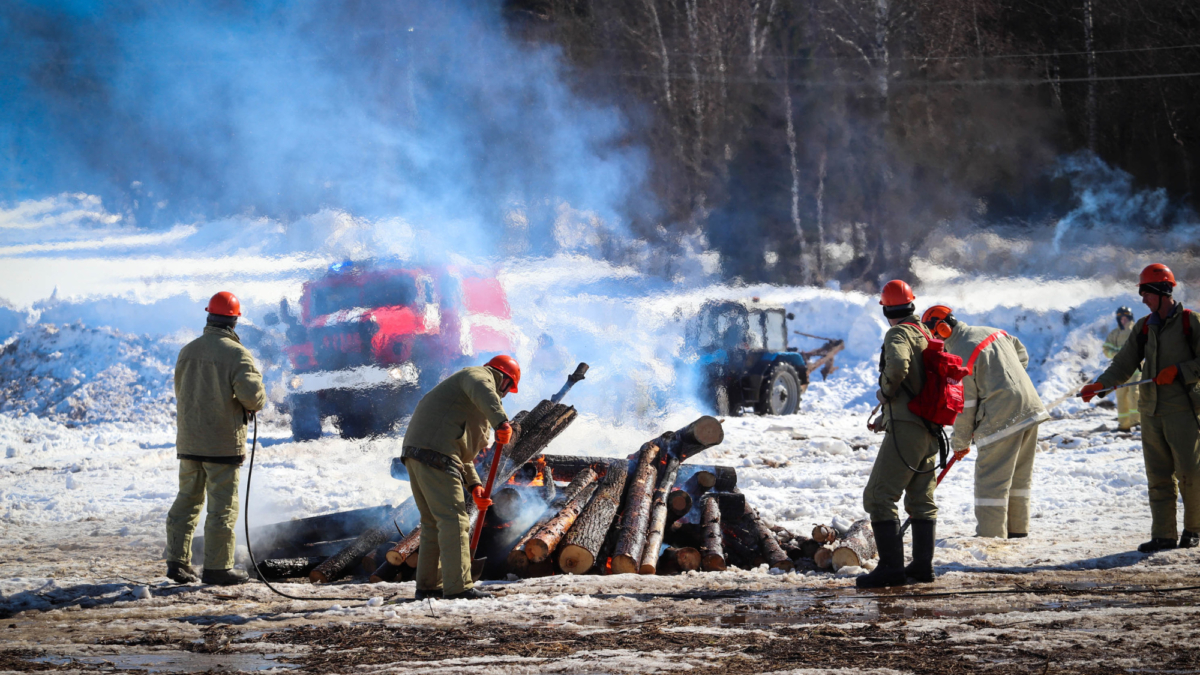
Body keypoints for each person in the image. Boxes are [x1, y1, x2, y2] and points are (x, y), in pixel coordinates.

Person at [1082, 264, 1200, 553]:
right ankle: (1163, 534)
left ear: (1162, 291)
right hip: (1150, 411)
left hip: (1182, 411)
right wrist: (1101, 385)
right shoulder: (1144, 326)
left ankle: (1195, 529)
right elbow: (1124, 363)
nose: (1143, 300)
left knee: (1191, 473)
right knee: (1158, 476)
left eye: (1146, 293)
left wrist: (1179, 371)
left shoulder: (1190, 322)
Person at [165, 292, 266, 585]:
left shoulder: (187, 350)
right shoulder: (236, 354)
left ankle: (177, 561)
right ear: (234, 320)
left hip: (189, 442)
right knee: (222, 507)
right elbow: (253, 397)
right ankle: (218, 568)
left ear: (210, 317)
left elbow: (181, 391)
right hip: (221, 444)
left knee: (187, 500)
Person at [922, 305, 1048, 539]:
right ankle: (1017, 530)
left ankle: (991, 538)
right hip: (1030, 408)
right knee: (1019, 476)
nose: (937, 342)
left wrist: (959, 443)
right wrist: (1008, 383)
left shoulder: (958, 353)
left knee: (991, 479)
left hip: (1001, 416)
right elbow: (1022, 355)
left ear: (943, 328)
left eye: (936, 336)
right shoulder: (993, 331)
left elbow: (964, 405)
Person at [401, 355, 520, 599]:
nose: (505, 395)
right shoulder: (478, 377)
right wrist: (501, 422)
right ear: (503, 379)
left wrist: (475, 485)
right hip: (436, 455)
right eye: (508, 388)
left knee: (435, 523)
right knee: (455, 520)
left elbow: (462, 454)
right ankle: (459, 587)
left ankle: (428, 586)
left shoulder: (463, 404)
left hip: (419, 454)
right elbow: (482, 388)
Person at [858, 280, 941, 588]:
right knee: (921, 499)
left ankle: (891, 569)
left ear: (886, 309)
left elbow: (897, 367)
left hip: (908, 427)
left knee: (879, 496)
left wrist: (886, 392)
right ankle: (921, 568)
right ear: (911, 304)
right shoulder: (925, 332)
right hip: (929, 427)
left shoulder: (899, 333)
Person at [1104, 306, 1141, 432]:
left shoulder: (1137, 330)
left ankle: (1136, 422)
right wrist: (1116, 353)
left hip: (1136, 369)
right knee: (1121, 396)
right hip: (1120, 371)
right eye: (1121, 318)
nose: (1123, 321)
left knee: (1134, 394)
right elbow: (1106, 350)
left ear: (1130, 318)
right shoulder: (1114, 334)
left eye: (1125, 318)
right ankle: (1124, 424)